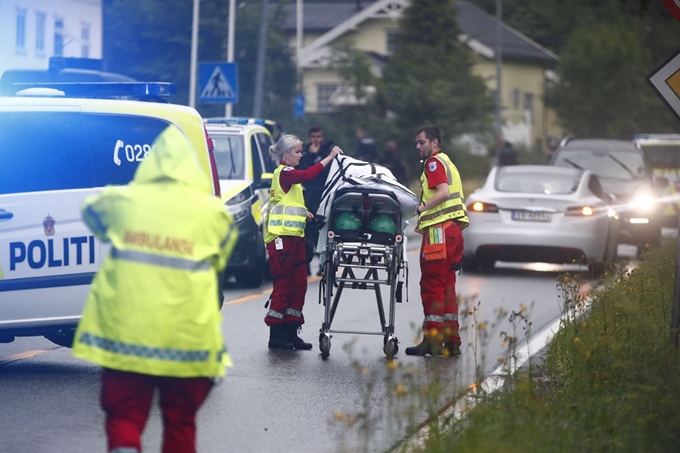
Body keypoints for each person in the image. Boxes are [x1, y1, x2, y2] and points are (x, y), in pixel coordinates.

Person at [71, 124, 237, 453]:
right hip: (188, 342)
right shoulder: (214, 214)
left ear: (151, 162)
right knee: (180, 421)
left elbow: (92, 213)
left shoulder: (123, 201)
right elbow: (220, 256)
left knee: (124, 416)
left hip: (127, 337)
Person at [265, 134, 342, 350]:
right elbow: (308, 174)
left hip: (295, 239)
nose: (301, 155)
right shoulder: (286, 173)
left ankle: (292, 331)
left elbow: (288, 204)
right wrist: (329, 157)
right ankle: (276, 335)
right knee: (284, 286)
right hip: (282, 240)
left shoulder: (289, 178)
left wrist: (306, 213)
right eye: (298, 152)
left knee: (299, 286)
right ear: (286, 153)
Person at [406, 125, 468, 357]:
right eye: (417, 143)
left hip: (439, 233)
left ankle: (432, 340)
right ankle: (452, 341)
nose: (418, 147)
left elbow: (441, 192)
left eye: (422, 142)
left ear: (434, 143)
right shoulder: (447, 162)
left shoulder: (433, 163)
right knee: (447, 286)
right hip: (453, 231)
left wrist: (420, 209)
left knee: (432, 285)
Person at [299, 127, 335, 275]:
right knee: (306, 232)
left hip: (323, 195)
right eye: (313, 137)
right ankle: (305, 266)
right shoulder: (303, 152)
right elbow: (302, 171)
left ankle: (323, 265)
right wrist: (311, 156)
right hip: (307, 195)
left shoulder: (327, 152)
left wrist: (319, 155)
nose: (316, 140)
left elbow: (329, 172)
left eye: (318, 137)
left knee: (323, 231)